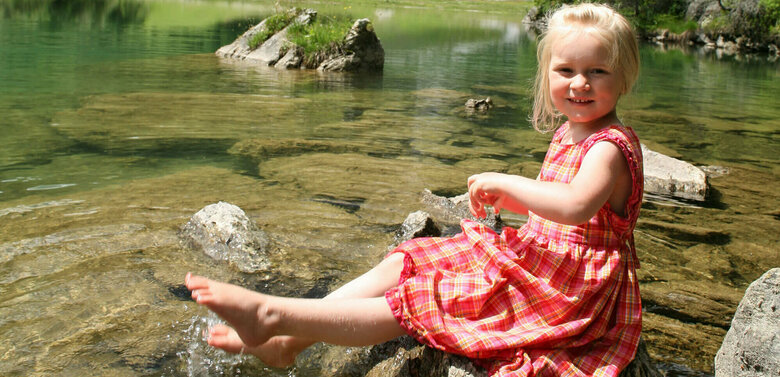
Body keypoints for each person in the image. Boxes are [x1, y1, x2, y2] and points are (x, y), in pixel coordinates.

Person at [185, 3, 644, 376]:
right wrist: (516, 201)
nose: (579, 83)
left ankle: (277, 317)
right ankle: (288, 342)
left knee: (423, 299)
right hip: (540, 260)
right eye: (565, 69)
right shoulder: (570, 131)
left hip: (570, 288)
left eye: (597, 71)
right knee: (408, 260)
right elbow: (557, 212)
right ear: (547, 75)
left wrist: (509, 184)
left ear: (623, 77)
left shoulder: (609, 146)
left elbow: (576, 205)